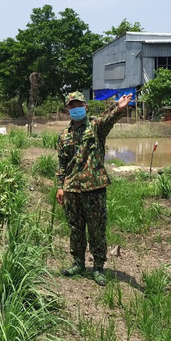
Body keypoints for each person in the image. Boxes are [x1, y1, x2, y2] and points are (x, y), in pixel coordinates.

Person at [56, 92, 132, 286]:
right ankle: (78, 262)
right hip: (72, 189)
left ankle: (98, 267)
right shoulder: (64, 136)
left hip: (94, 188)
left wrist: (120, 108)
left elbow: (110, 118)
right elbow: (62, 164)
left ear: (86, 106)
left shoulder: (96, 127)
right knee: (76, 228)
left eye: (78, 104)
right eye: (72, 106)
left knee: (97, 229)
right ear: (67, 111)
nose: (76, 109)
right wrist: (60, 187)